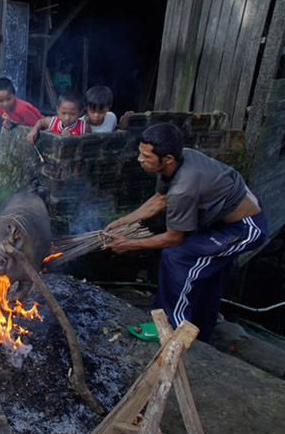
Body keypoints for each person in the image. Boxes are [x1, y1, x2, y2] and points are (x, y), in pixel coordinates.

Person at [104, 123, 268, 340]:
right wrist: (123, 220)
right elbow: (158, 200)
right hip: (221, 222)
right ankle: (200, 329)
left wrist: (129, 244)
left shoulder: (183, 189)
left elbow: (173, 238)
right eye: (140, 153)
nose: (139, 159)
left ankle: (171, 326)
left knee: (178, 256)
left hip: (245, 228)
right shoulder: (181, 158)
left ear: (168, 159)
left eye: (146, 156)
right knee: (208, 273)